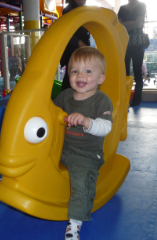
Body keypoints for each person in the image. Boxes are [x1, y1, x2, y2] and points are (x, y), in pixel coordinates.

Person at [53, 47, 113, 240]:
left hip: (85, 153)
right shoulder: (65, 95)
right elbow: (50, 111)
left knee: (80, 182)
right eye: (74, 71)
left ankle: (74, 223)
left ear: (100, 78)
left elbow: (105, 127)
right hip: (62, 147)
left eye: (88, 71)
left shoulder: (101, 100)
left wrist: (87, 121)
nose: (80, 75)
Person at [118, 0, 147, 107]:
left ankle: (136, 99)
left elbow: (137, 23)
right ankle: (125, 98)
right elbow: (120, 23)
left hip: (136, 43)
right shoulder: (122, 7)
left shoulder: (141, 5)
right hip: (125, 42)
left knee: (137, 72)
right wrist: (131, 23)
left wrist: (125, 24)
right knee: (124, 72)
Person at [60, 0, 90, 91]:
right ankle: (66, 98)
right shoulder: (69, 10)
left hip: (80, 46)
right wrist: (80, 42)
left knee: (77, 72)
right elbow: (67, 30)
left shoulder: (82, 9)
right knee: (72, 73)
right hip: (73, 47)